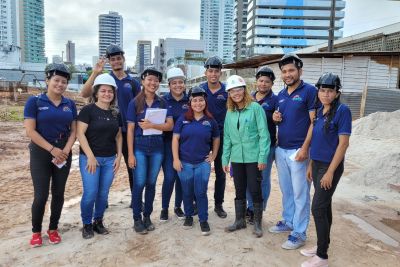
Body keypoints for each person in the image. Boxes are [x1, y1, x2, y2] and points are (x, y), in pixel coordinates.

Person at [300, 73, 351, 267]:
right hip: (318, 164)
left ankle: (322, 257)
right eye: (322, 90)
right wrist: (311, 164)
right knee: (325, 206)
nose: (326, 94)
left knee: (317, 208)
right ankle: (323, 244)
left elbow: (343, 144)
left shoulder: (342, 111)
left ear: (337, 93)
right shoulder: (320, 111)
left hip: (330, 167)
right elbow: (317, 141)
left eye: (330, 91)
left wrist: (330, 172)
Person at [24, 63, 77, 247]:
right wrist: (52, 149)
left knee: (59, 193)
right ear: (47, 80)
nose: (60, 84)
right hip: (41, 152)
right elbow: (30, 131)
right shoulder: (35, 101)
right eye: (56, 80)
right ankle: (36, 231)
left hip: (63, 152)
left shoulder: (69, 104)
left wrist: (66, 150)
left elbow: (73, 131)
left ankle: (53, 229)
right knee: (40, 195)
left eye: (64, 81)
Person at [80, 44, 141, 206]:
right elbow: (84, 94)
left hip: (127, 131)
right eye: (112, 59)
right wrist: (96, 72)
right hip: (105, 131)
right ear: (109, 61)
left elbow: (140, 105)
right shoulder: (104, 79)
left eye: (118, 58)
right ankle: (102, 201)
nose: (116, 62)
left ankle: (136, 200)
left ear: (123, 59)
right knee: (103, 166)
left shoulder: (132, 82)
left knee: (132, 166)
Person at [269, 53, 317, 250]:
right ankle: (288, 221)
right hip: (282, 149)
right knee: (287, 190)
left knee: (301, 193)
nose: (287, 74)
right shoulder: (281, 95)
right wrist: (275, 118)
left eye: (291, 70)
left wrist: (306, 148)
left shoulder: (309, 91)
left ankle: (299, 232)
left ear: (300, 71)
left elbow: (314, 122)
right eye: (284, 71)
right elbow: (279, 119)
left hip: (299, 151)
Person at [126, 67, 173, 234]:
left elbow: (170, 125)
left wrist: (152, 125)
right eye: (149, 79)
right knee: (139, 183)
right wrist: (130, 154)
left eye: (156, 80)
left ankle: (147, 216)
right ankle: (137, 218)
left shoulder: (163, 103)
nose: (153, 83)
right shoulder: (134, 103)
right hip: (139, 146)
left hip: (157, 148)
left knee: (151, 183)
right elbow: (130, 130)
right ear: (143, 81)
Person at [222, 75, 270, 238]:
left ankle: (257, 223)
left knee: (255, 189)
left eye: (239, 89)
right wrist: (225, 159)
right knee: (239, 189)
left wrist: (263, 157)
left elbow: (264, 135)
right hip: (237, 158)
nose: (236, 93)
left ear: (244, 90)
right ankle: (239, 220)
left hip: (253, 157)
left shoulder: (256, 108)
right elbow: (227, 137)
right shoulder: (230, 112)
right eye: (232, 91)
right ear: (229, 93)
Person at [77, 73, 123, 239]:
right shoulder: (88, 110)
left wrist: (119, 157)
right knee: (90, 192)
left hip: (109, 159)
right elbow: (80, 134)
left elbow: (118, 136)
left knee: (103, 194)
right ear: (96, 93)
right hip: (90, 159)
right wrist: (90, 156)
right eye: (103, 91)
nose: (107, 94)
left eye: (110, 91)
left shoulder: (116, 113)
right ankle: (87, 223)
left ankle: (98, 221)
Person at [172, 86, 220, 236]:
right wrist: (175, 159)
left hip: (202, 164)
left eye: (201, 100)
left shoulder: (210, 121)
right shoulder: (183, 118)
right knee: (187, 192)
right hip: (184, 163)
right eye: (195, 100)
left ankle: (203, 219)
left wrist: (213, 155)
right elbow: (175, 139)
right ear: (190, 102)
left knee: (200, 192)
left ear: (205, 102)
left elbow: (216, 139)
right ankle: (188, 216)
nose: (198, 103)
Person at [246, 66, 278, 224]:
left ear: (272, 83)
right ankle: (250, 207)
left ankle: (259, 209)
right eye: (260, 80)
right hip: (249, 146)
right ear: (256, 81)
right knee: (247, 178)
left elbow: (281, 119)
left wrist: (276, 118)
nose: (263, 84)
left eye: (267, 81)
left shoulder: (276, 100)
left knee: (263, 179)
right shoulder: (249, 98)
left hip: (267, 146)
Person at [200, 56, 228, 218]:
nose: (213, 74)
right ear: (206, 72)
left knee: (220, 172)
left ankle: (218, 204)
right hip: (203, 136)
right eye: (210, 71)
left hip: (222, 135)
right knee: (201, 170)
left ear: (220, 73)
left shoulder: (226, 91)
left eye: (216, 71)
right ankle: (198, 201)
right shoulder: (199, 89)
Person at [160, 67, 188, 221]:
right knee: (170, 177)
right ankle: (164, 208)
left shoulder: (190, 100)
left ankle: (178, 206)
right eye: (174, 83)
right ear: (169, 84)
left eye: (181, 82)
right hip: (167, 143)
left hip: (185, 144)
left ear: (184, 83)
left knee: (181, 177)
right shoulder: (163, 100)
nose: (178, 85)